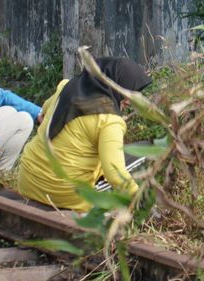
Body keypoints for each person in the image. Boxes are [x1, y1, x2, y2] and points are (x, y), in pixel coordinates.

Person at [17, 57, 151, 209]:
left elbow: (42, 114)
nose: (129, 101)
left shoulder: (67, 87)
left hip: (28, 181)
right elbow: (114, 174)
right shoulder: (110, 120)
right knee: (144, 153)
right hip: (65, 196)